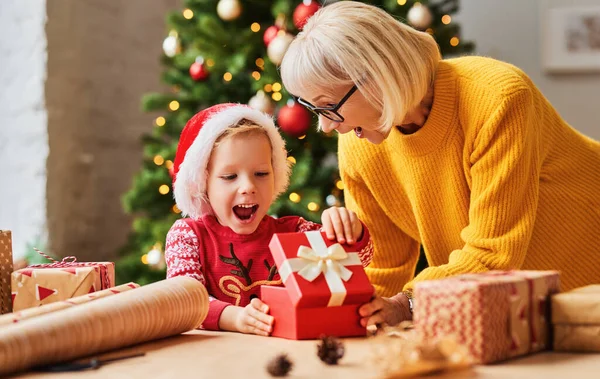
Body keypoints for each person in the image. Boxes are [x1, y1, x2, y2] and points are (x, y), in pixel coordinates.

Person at [280, 1, 600, 328]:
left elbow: (492, 257)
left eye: (328, 107)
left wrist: (409, 303)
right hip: (531, 310)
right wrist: (342, 310)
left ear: (375, 77)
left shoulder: (497, 99)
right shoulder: (360, 142)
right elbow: (384, 265)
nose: (328, 127)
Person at [165, 103, 373, 336]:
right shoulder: (188, 236)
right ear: (203, 183)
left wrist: (348, 231)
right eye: (230, 176)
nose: (248, 187)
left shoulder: (295, 232)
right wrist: (234, 317)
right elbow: (183, 300)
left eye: (261, 174)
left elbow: (361, 261)